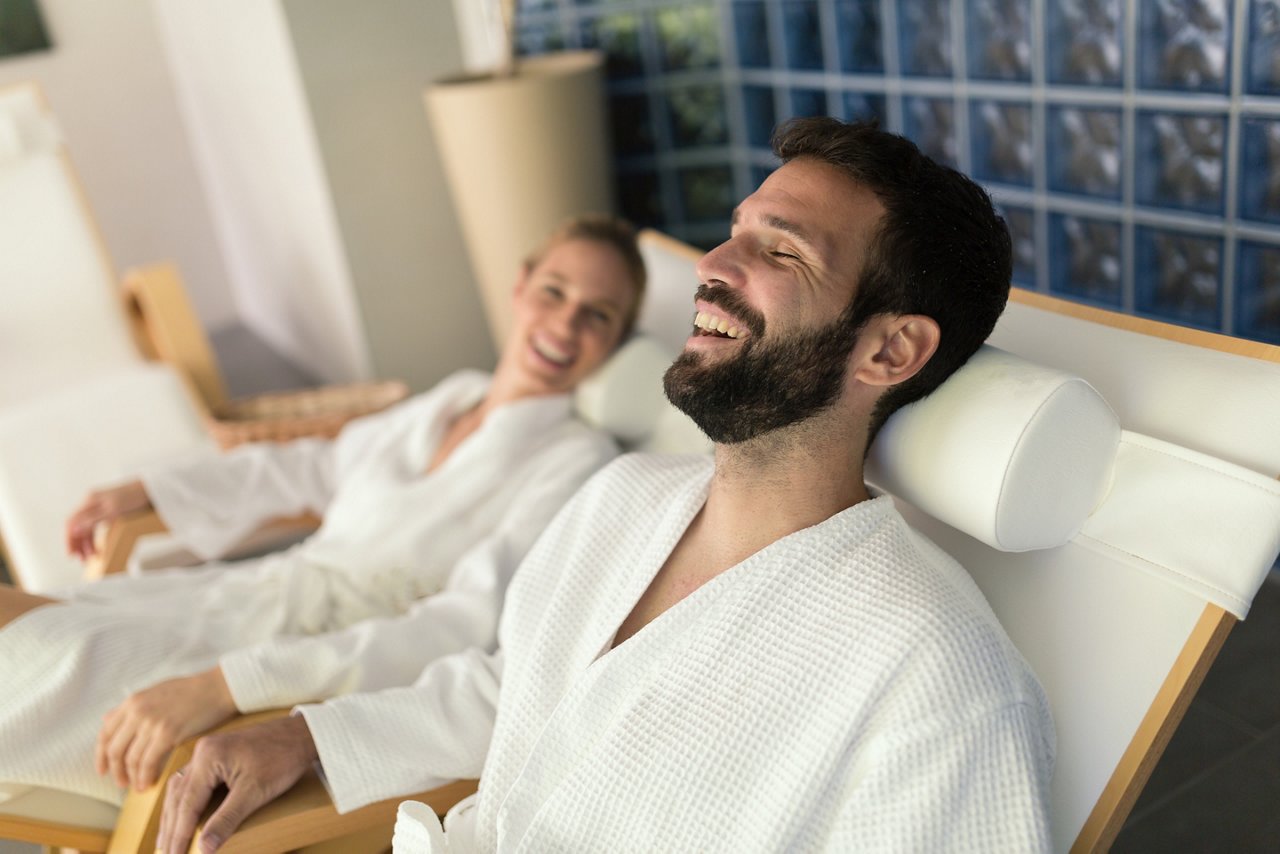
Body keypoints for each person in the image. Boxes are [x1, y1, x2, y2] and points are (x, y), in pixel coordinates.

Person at [156, 118, 1053, 853]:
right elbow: (518, 692)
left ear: (891, 350)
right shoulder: (623, 499)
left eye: (780, 254)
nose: (715, 266)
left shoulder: (934, 674)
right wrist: (308, 734)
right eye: (735, 232)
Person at [0, 213, 646, 807]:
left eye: (598, 316)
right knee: (25, 613)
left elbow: (464, 623)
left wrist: (229, 684)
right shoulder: (455, 397)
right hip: (233, 599)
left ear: (617, 342)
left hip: (292, 671)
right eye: (555, 292)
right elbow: (315, 465)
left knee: (45, 659)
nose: (565, 326)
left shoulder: (573, 462)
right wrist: (158, 488)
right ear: (520, 285)